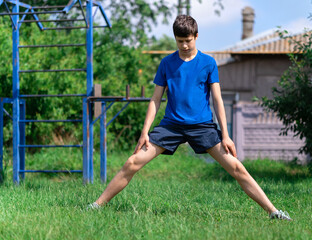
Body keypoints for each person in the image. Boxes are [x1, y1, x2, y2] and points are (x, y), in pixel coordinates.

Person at [88, 15, 291, 221]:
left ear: (196, 36)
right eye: (180, 41)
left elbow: (218, 100)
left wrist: (226, 136)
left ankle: (274, 212)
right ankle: (96, 205)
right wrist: (145, 132)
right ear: (175, 38)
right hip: (171, 126)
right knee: (132, 162)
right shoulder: (167, 63)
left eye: (188, 40)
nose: (184, 45)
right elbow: (155, 100)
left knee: (237, 167)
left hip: (202, 127)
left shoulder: (208, 63)